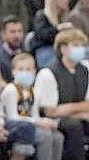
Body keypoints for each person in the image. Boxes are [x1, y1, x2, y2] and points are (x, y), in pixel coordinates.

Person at [33, 28, 89, 160]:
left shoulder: (85, 70)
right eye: (75, 45)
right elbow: (50, 112)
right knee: (74, 126)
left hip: (72, 116)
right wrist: (82, 112)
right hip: (49, 121)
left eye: (82, 45)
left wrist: (68, 109)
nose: (80, 49)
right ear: (63, 49)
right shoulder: (48, 73)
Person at [0, 53, 64, 160]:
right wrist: (38, 122)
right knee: (45, 136)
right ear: (13, 71)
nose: (25, 72)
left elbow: (35, 116)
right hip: (13, 127)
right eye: (21, 69)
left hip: (29, 125)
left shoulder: (34, 92)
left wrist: (46, 122)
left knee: (58, 137)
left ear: (34, 71)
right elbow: (13, 117)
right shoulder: (11, 89)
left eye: (28, 69)